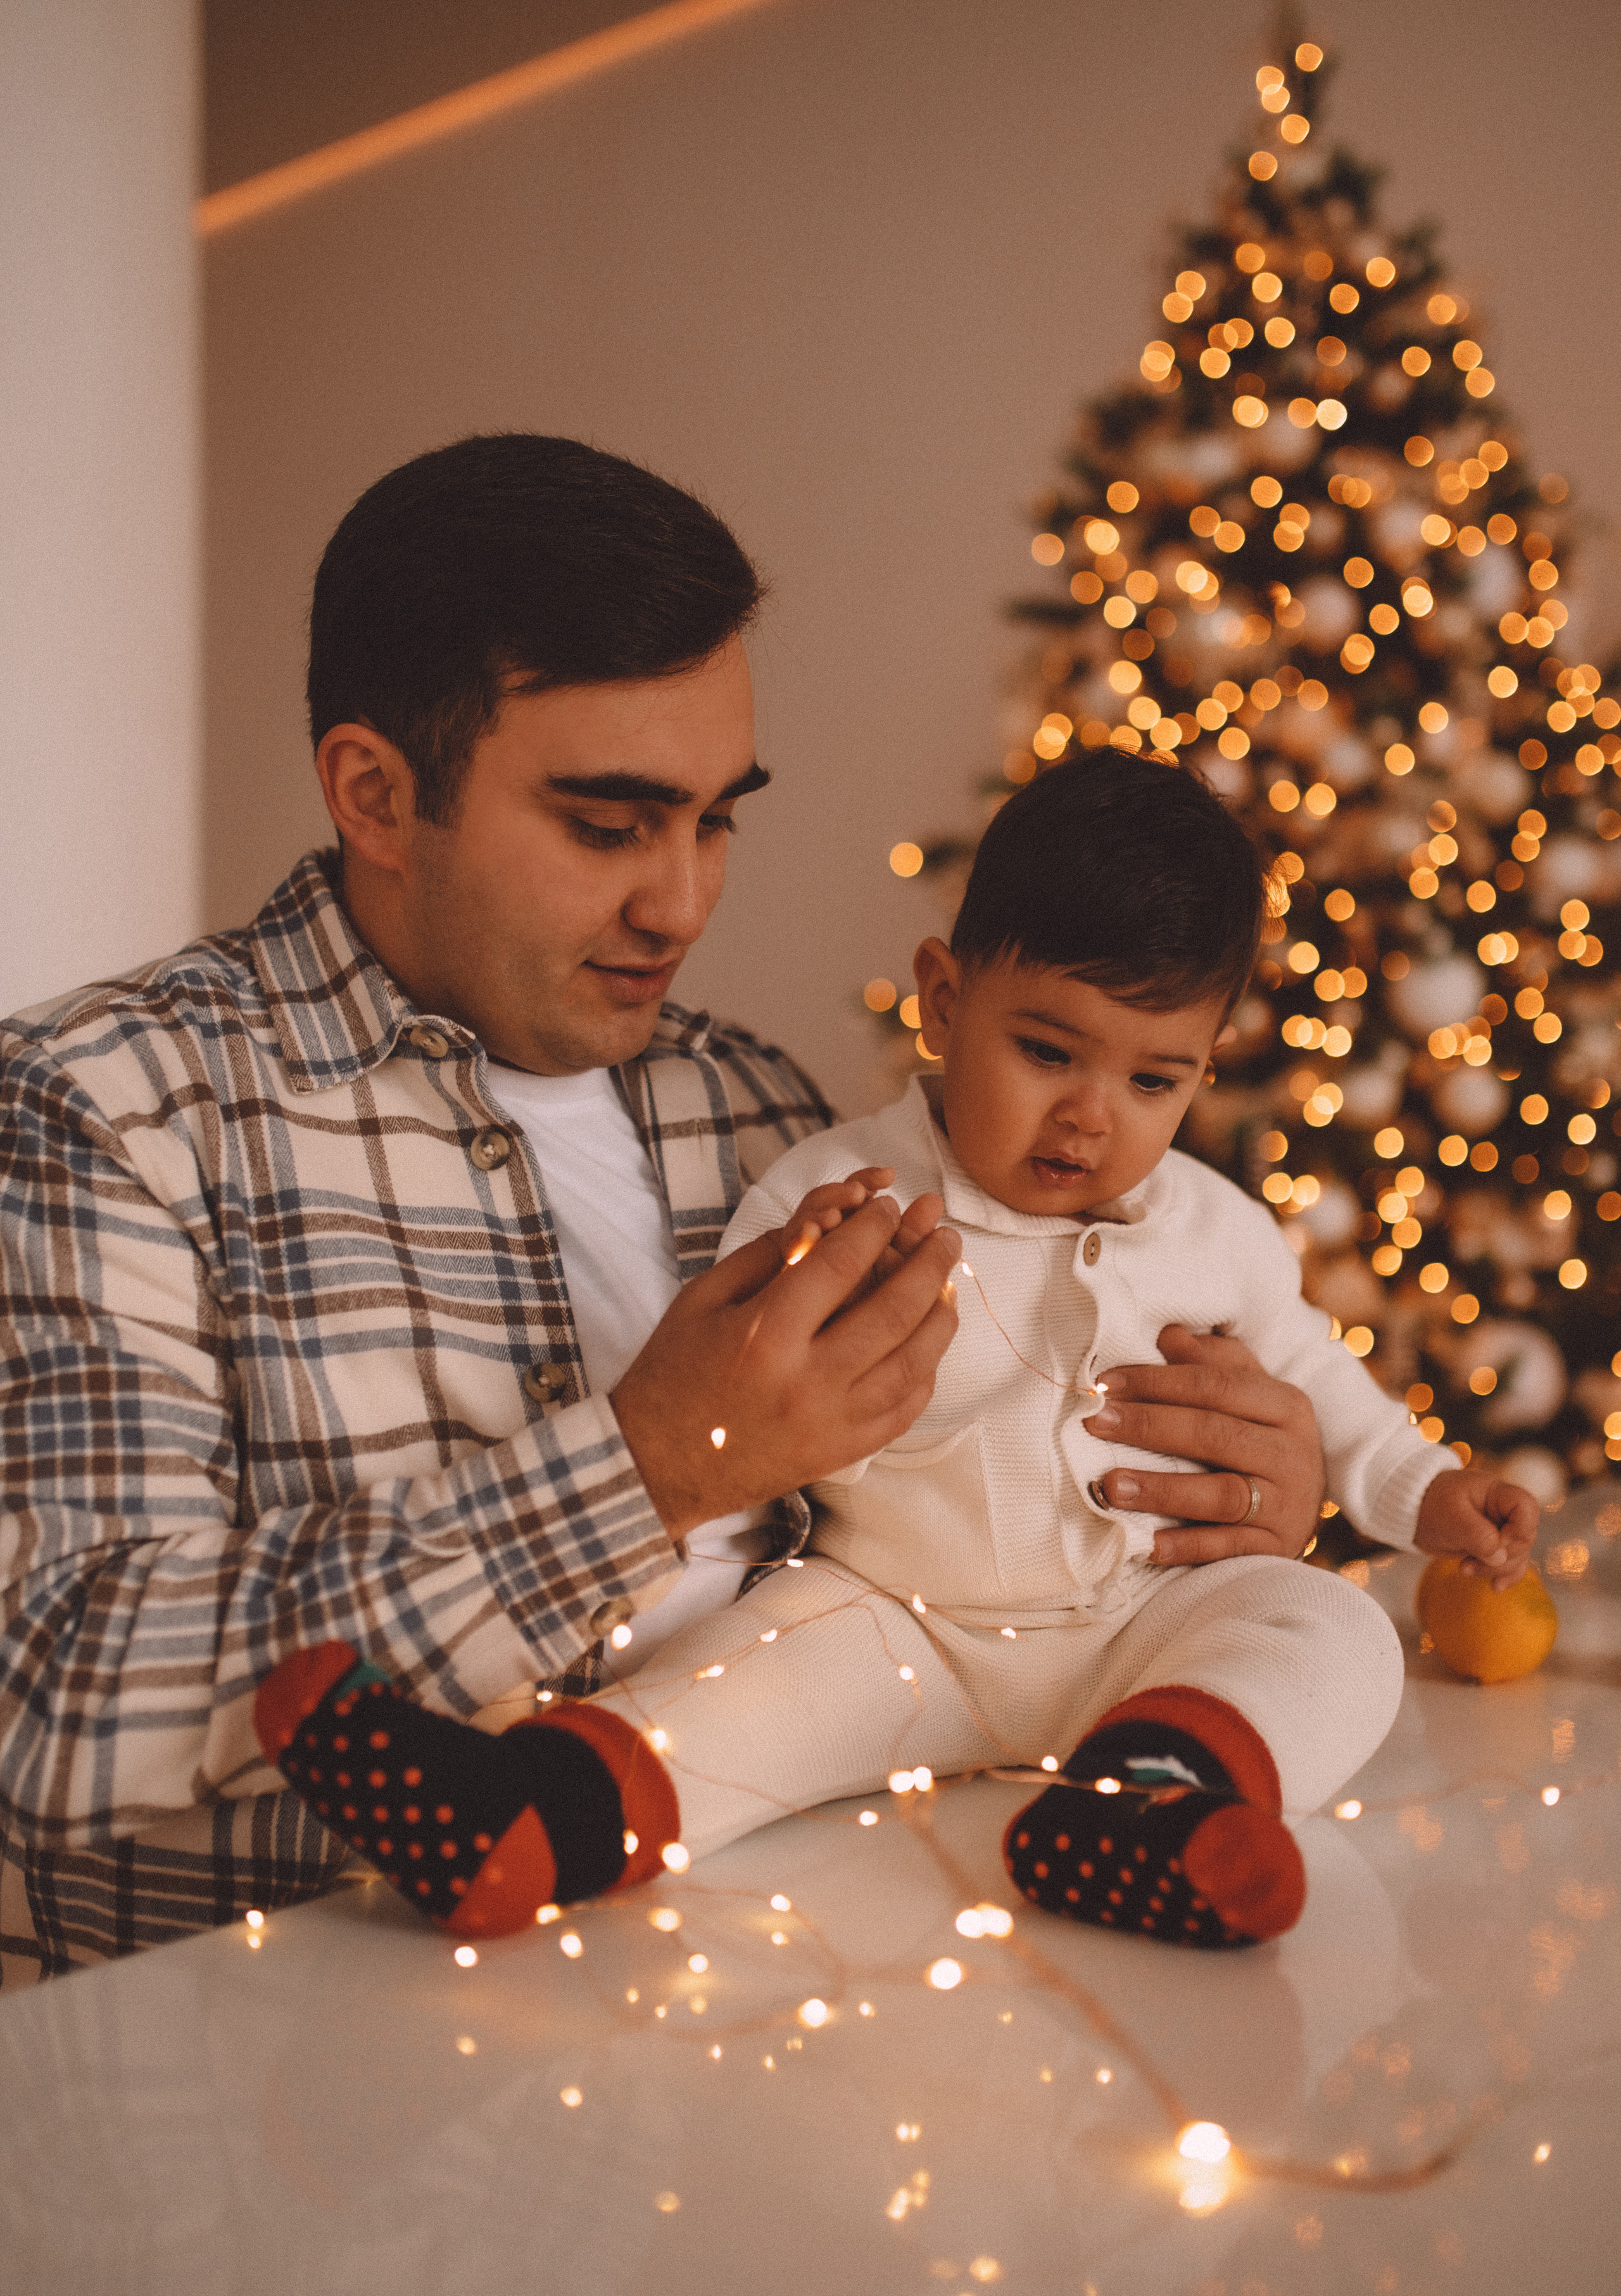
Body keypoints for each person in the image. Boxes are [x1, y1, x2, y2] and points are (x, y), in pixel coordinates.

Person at [1, 438, 1325, 1986]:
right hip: (304, 2064)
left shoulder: (754, 1109)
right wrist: (647, 1467)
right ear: (376, 794)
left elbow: (935, 1595)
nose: (682, 901)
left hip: (773, 2007)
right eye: (608, 824)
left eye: (714, 820)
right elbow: (54, 1708)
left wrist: (1224, 1497)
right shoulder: (108, 1111)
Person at [572, 754, 1541, 1948]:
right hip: (893, 1622)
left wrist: (1428, 1492)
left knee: (1335, 1634)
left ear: (1203, 1068)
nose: (1092, 1114)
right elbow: (740, 1398)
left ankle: (1151, 1793)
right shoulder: (842, 1195)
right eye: (1046, 1052)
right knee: (743, 1684)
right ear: (943, 1003)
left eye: (1153, 1078)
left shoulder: (1215, 1231)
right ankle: (550, 1804)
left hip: (1143, 1628)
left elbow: (1319, 1384)